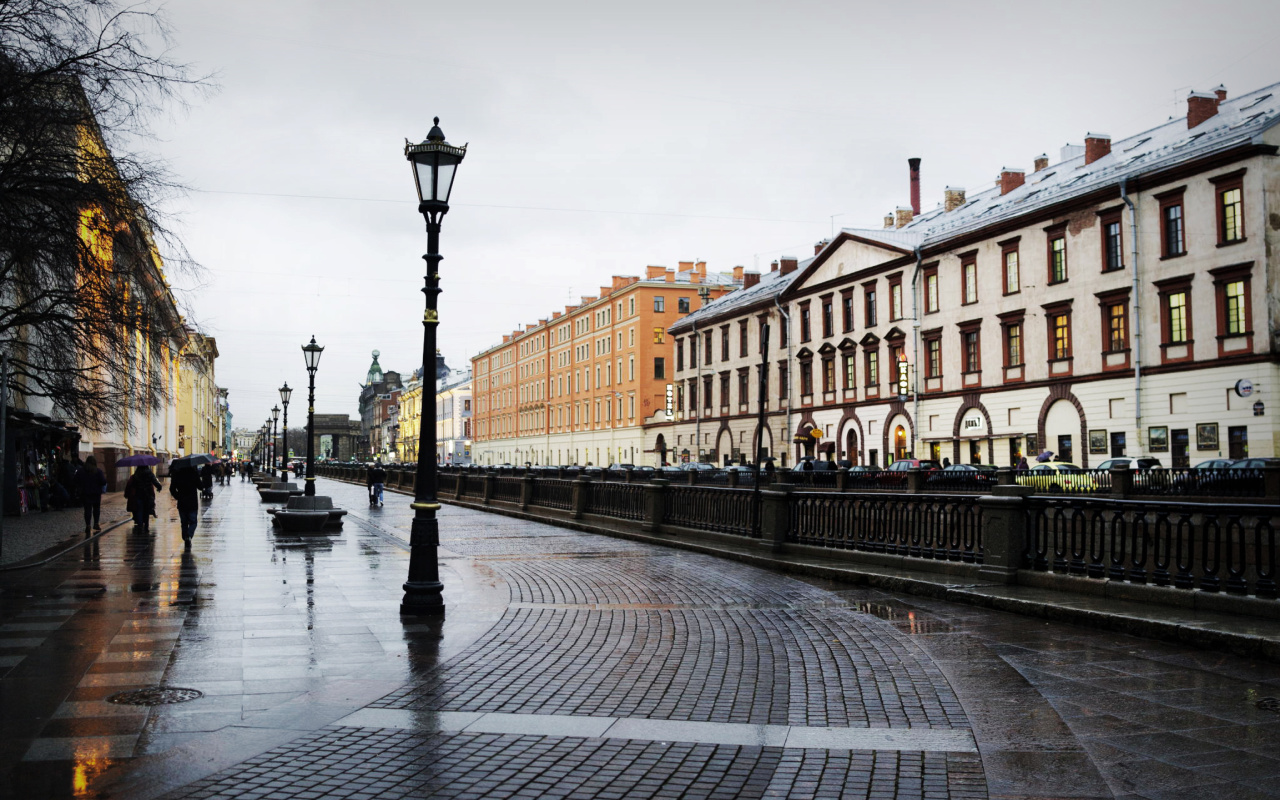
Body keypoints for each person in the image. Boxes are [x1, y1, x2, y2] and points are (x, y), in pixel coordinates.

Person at [73, 456, 107, 534]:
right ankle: (96, 524)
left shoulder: (81, 471)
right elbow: (103, 482)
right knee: (96, 509)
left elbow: (75, 480)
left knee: (87, 510)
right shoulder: (98, 471)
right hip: (96, 493)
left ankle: (88, 525)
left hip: (85, 493)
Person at [124, 465, 162, 532]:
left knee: (139, 510)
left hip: (138, 495)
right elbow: (155, 481)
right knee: (146, 511)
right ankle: (146, 526)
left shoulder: (136, 475)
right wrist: (159, 487)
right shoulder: (149, 473)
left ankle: (140, 525)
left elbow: (131, 485)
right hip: (147, 495)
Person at [169, 465, 200, 546]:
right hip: (192, 502)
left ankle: (185, 537)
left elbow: (172, 488)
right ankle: (188, 536)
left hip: (182, 502)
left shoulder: (177, 474)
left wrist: (177, 496)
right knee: (193, 522)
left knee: (184, 522)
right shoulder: (194, 473)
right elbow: (200, 486)